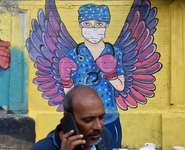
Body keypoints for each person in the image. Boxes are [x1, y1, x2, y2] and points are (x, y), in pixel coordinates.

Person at [59, 4, 125, 147]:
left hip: (109, 117)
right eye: (87, 24)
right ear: (81, 25)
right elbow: (69, 95)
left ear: (106, 25)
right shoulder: (74, 54)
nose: (93, 29)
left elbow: (120, 87)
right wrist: (66, 80)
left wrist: (111, 74)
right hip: (82, 120)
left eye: (98, 24)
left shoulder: (114, 52)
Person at [31, 86, 113, 150]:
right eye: (88, 120)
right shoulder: (42, 148)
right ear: (68, 118)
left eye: (101, 117)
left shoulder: (105, 136)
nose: (98, 127)